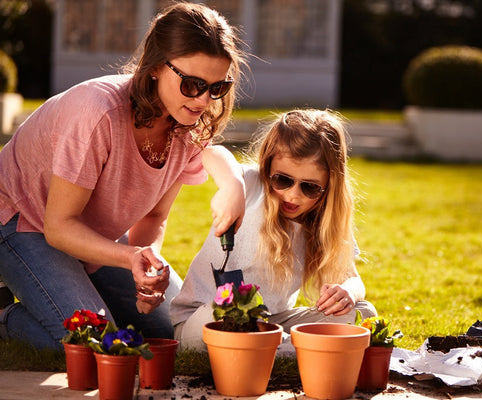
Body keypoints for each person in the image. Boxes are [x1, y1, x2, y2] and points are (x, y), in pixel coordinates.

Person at [0, 2, 247, 349]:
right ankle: (6, 316)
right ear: (158, 67)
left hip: (85, 233)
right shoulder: (97, 113)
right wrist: (129, 257)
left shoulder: (187, 125)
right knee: (93, 339)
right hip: (20, 219)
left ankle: (59, 293)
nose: (204, 100)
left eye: (217, 87)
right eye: (192, 84)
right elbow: (58, 226)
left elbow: (154, 216)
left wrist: (146, 273)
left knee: (172, 330)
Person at [170, 109, 377, 350]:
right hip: (207, 319)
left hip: (269, 323)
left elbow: (351, 277)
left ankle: (284, 347)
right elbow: (212, 153)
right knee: (236, 318)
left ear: (329, 186)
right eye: (282, 180)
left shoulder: (324, 220)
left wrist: (347, 292)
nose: (293, 195)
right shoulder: (249, 184)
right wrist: (232, 187)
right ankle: (304, 349)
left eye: (310, 187)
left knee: (361, 312)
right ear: (267, 167)